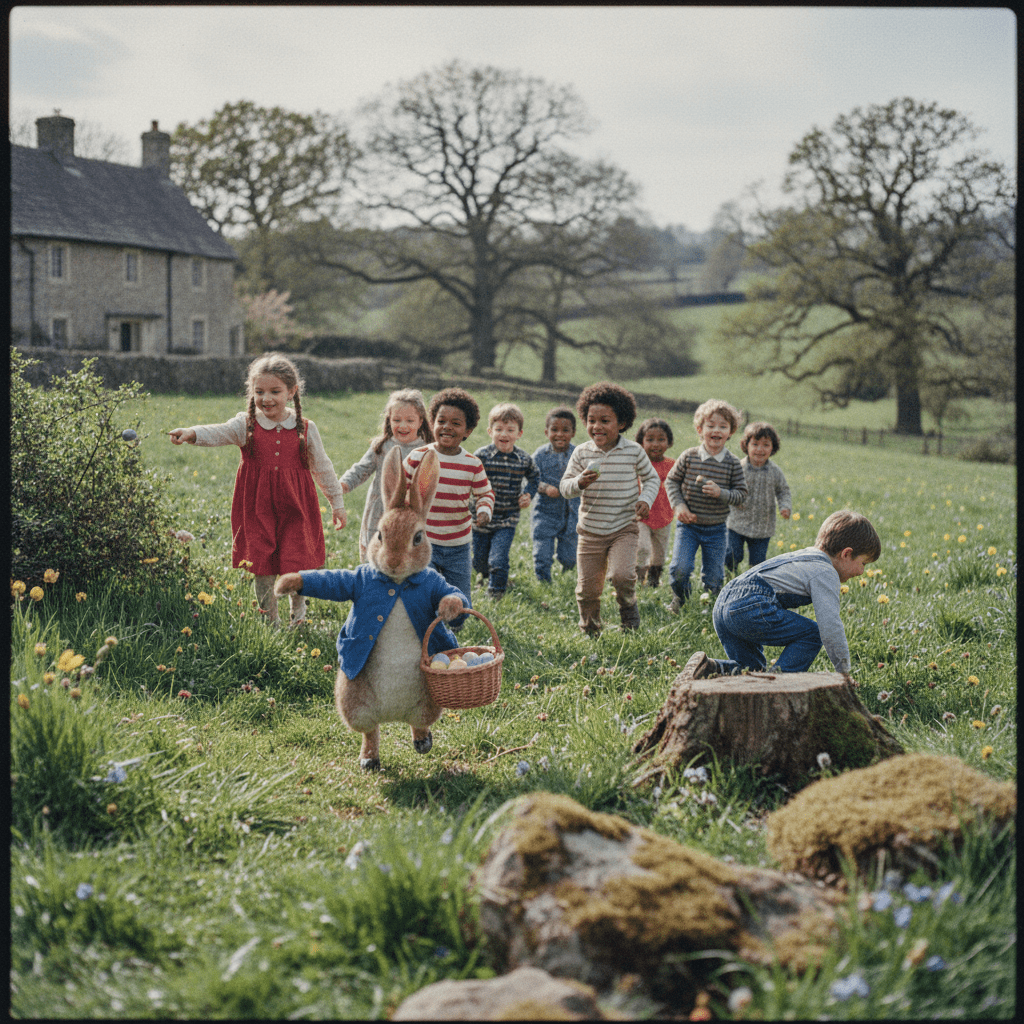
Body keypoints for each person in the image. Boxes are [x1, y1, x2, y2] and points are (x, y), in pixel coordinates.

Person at [168, 353, 345, 627]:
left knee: (295, 561)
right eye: (259, 391)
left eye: (275, 391)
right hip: (257, 507)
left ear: (292, 392)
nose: (267, 398)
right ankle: (269, 621)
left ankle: (298, 617)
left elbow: (322, 467)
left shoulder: (305, 429)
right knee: (261, 563)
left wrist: (337, 503)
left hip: (296, 506)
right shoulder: (247, 425)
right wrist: (192, 432)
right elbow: (219, 432)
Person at [698, 508, 881, 679]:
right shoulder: (825, 571)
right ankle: (778, 685)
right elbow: (830, 626)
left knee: (752, 671)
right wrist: (843, 672)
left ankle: (709, 667)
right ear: (846, 554)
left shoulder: (806, 556)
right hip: (748, 604)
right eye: (863, 563)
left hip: (723, 603)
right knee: (812, 634)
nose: (862, 572)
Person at [559, 382, 660, 635]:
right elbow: (564, 486)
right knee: (587, 589)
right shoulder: (581, 453)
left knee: (623, 576)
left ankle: (629, 615)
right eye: (591, 420)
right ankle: (590, 629)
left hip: (623, 528)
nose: (597, 426)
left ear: (622, 423)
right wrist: (579, 483)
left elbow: (651, 478)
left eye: (605, 420)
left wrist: (646, 500)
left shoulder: (633, 451)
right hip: (591, 531)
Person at [404, 387, 494, 630]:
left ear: (468, 430)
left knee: (461, 606)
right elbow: (400, 490)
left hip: (458, 545)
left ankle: (453, 631)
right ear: (432, 422)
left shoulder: (472, 464)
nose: (447, 427)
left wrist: (484, 510)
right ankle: (428, 632)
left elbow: (485, 493)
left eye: (456, 423)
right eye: (441, 421)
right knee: (425, 593)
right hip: (424, 542)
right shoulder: (417, 457)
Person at [664, 398, 747, 611]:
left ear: (731, 432)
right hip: (688, 525)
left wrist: (722, 493)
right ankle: (680, 598)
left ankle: (711, 608)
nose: (716, 430)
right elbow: (671, 481)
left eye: (723, 426)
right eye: (710, 425)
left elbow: (741, 495)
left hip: (716, 529)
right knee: (679, 569)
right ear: (700, 430)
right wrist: (679, 506)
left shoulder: (733, 463)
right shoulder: (689, 457)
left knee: (714, 576)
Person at [339, 388, 433, 562]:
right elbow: (362, 469)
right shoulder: (382, 446)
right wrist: (344, 484)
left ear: (421, 421)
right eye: (396, 420)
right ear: (388, 419)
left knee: (406, 550)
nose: (403, 425)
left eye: (410, 420)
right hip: (380, 510)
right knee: (376, 551)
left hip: (412, 513)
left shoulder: (427, 449)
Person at [472, 402, 539, 600]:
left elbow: (535, 477)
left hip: (507, 518)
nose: (504, 434)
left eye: (510, 430)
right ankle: (484, 575)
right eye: (499, 429)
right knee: (479, 560)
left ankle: (496, 592)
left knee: (498, 558)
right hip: (481, 517)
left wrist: (528, 493)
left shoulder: (523, 459)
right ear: (490, 431)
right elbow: (469, 478)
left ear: (519, 434)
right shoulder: (481, 456)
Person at [725, 421, 792, 572]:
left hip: (763, 528)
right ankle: (728, 577)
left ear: (773, 447)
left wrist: (785, 506)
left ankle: (751, 584)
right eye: (755, 444)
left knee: (757, 564)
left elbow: (783, 491)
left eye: (766, 445)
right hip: (736, 523)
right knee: (731, 554)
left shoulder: (775, 472)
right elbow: (726, 489)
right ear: (746, 446)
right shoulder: (738, 468)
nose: (760, 449)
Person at [530, 406, 580, 582]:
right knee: (542, 552)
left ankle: (567, 572)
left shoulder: (577, 454)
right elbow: (530, 478)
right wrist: (544, 488)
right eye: (554, 430)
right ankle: (543, 581)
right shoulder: (539, 455)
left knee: (570, 557)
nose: (560, 434)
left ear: (573, 432)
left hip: (571, 513)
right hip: (545, 512)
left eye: (565, 430)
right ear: (546, 432)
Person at [634, 417, 675, 588]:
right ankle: (638, 580)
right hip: (641, 517)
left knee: (659, 554)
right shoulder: (638, 465)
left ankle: (653, 582)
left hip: (664, 517)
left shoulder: (673, 465)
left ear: (669, 442)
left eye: (661, 439)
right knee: (642, 548)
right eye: (650, 439)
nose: (655, 444)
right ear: (641, 442)